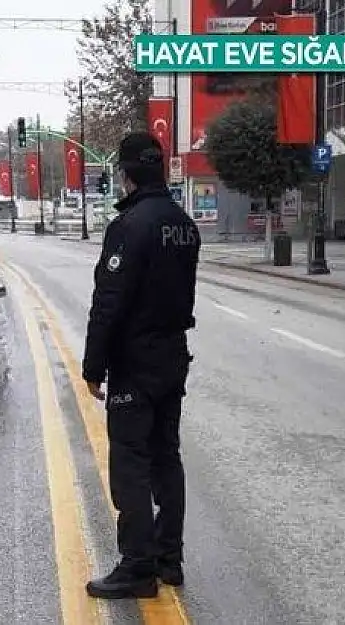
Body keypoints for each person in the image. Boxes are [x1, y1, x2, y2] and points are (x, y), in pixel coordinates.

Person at [81, 132, 201, 600]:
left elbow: (109, 300)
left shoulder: (130, 225)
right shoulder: (182, 223)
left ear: (126, 174)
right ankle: (170, 559)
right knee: (166, 457)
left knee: (130, 462)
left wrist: (94, 365)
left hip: (136, 360)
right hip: (173, 354)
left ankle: (137, 567)